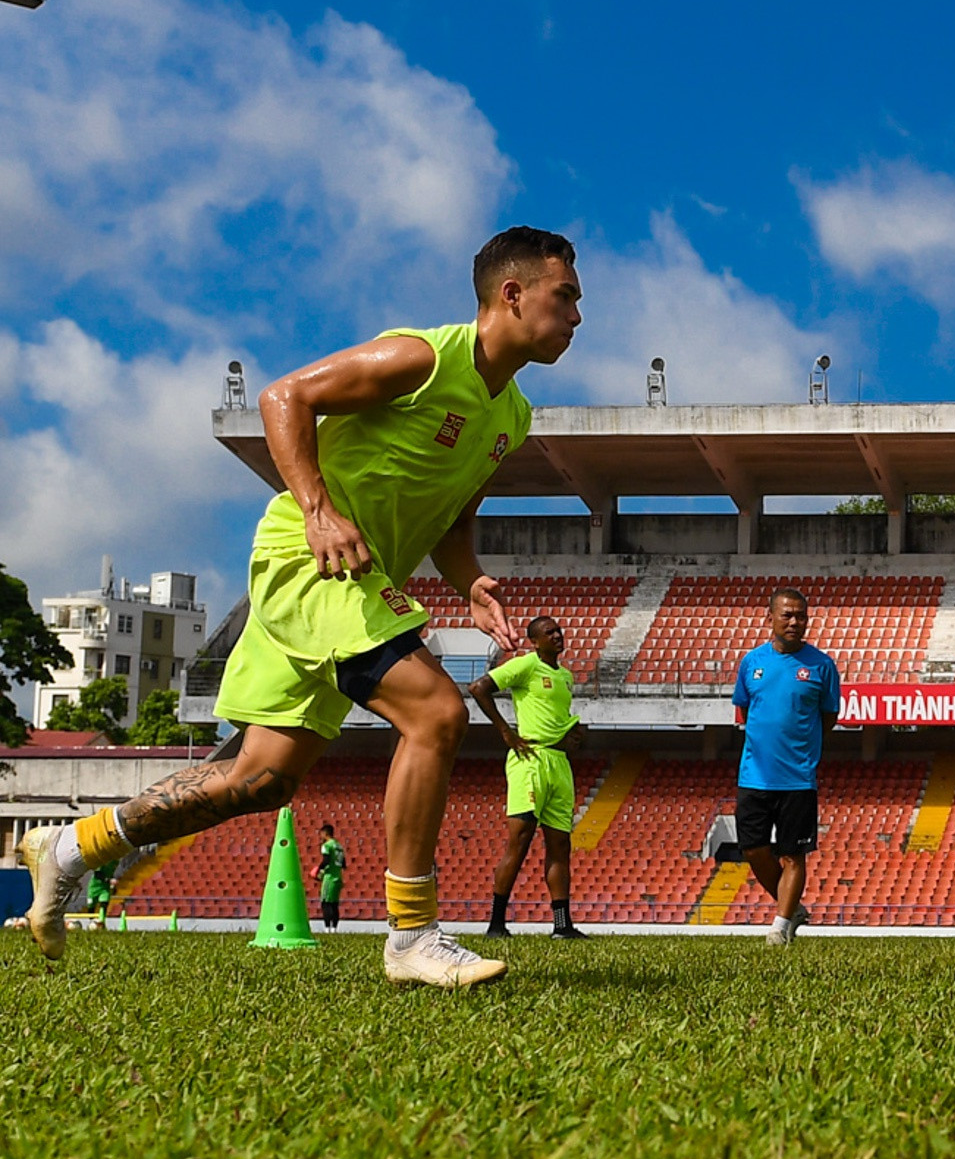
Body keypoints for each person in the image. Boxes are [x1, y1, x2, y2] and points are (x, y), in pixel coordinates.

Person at [19, 226, 582, 988]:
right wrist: (317, 508)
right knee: (437, 712)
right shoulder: (422, 357)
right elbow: (286, 394)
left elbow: (451, 520)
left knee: (262, 778)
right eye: (566, 296)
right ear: (512, 295)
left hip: (350, 576)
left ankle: (66, 850)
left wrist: (470, 582)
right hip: (305, 556)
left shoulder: (510, 417)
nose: (578, 315)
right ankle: (412, 936)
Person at [731, 586, 840, 947]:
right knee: (753, 849)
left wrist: (802, 752)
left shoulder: (822, 666)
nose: (795, 622)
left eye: (801, 616)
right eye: (787, 615)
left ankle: (779, 928)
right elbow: (746, 711)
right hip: (754, 774)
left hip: (797, 778)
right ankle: (791, 907)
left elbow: (828, 717)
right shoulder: (752, 662)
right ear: (771, 618)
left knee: (793, 855)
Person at [469, 615, 589, 940]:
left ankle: (562, 925)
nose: (557, 635)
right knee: (520, 840)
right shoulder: (524, 666)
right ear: (535, 642)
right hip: (529, 759)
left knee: (560, 844)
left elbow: (554, 717)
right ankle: (496, 924)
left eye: (559, 630)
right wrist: (506, 732)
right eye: (549, 632)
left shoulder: (565, 676)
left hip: (559, 762)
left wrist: (572, 735)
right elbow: (479, 688)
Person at [314, 822, 346, 930]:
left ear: (325, 833)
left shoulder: (327, 845)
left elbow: (326, 860)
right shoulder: (339, 846)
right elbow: (344, 864)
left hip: (330, 878)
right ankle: (334, 928)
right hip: (338, 877)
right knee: (334, 904)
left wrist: (318, 870)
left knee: (325, 903)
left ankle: (327, 928)